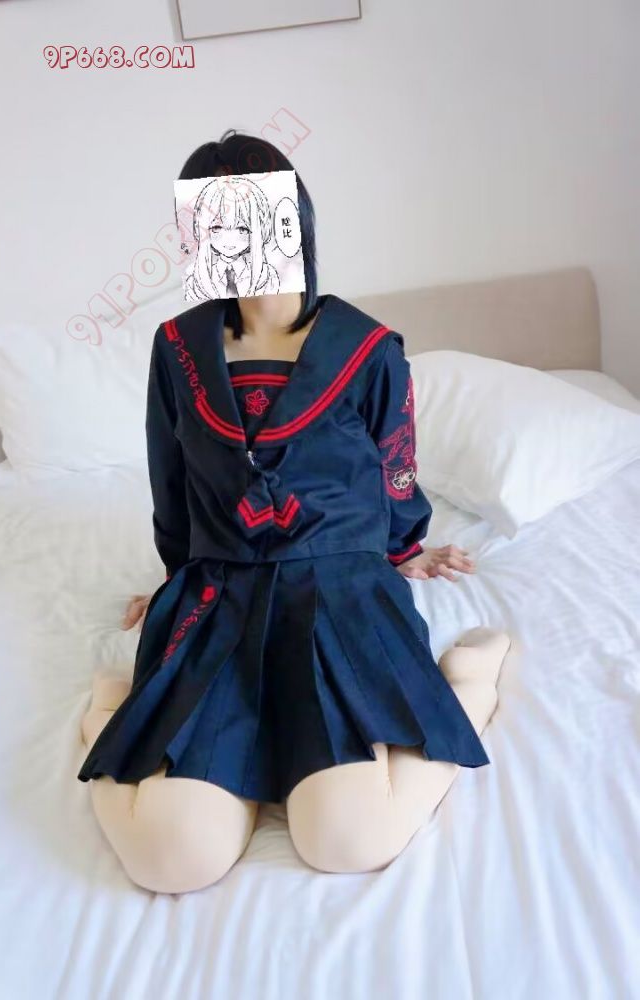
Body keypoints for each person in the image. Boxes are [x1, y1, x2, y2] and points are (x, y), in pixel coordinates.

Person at [77, 129, 511, 894]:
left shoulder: (367, 348)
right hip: (221, 590)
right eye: (210, 222)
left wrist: (403, 549)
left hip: (337, 590)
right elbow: (170, 479)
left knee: (346, 840)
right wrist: (176, 580)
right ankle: (108, 708)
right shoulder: (177, 347)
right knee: (171, 858)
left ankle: (468, 684)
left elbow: (395, 468)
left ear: (291, 220)